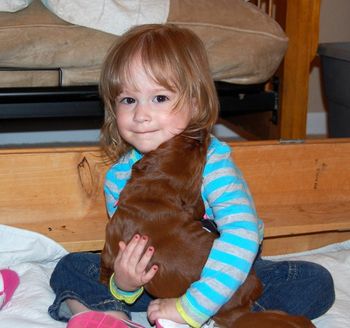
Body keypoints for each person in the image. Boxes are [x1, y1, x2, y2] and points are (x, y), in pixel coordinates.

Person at [48, 24, 335, 328]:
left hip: (225, 278)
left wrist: (192, 307)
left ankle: (222, 317)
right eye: (128, 100)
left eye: (159, 98)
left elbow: (242, 233)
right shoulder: (118, 178)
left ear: (195, 102)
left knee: (313, 281)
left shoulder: (211, 161)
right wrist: (125, 284)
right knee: (70, 266)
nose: (141, 114)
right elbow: (125, 251)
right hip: (155, 283)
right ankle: (114, 318)